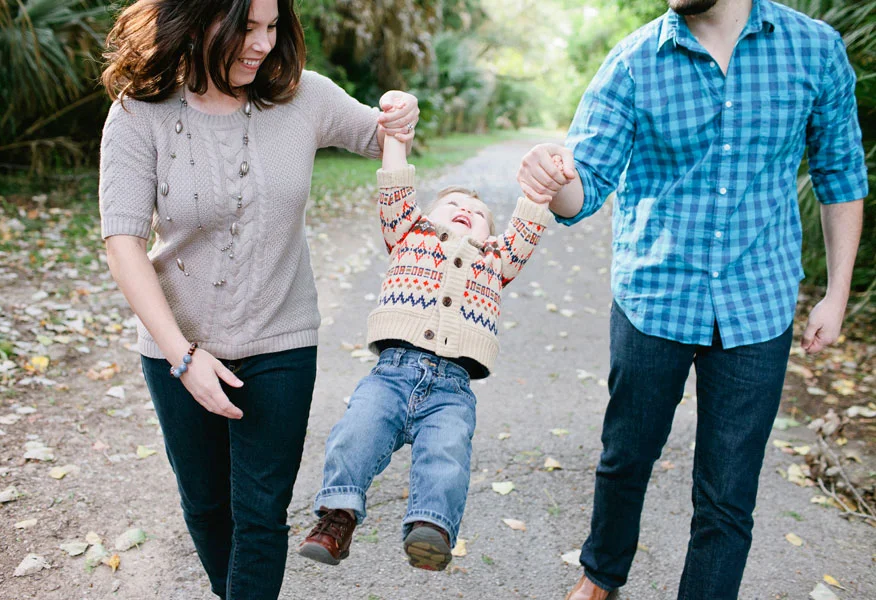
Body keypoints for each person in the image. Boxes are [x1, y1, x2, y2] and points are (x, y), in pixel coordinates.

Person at [517, 0, 867, 598]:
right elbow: (586, 189)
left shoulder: (815, 49)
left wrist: (835, 296)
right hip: (655, 298)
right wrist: (554, 180)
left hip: (758, 305)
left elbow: (841, 175)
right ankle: (601, 574)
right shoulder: (632, 61)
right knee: (626, 458)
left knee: (728, 495)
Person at [98, 0, 420, 597]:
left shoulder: (304, 98)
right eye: (246, 27)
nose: (262, 43)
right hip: (177, 345)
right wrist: (184, 359)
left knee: (261, 516)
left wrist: (402, 110)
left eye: (273, 27)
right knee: (205, 507)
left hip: (281, 341)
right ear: (196, 20)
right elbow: (123, 244)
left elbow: (383, 135)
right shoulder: (138, 114)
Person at [297, 121, 556, 572]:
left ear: (489, 235)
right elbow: (395, 185)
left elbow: (527, 225)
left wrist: (541, 182)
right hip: (391, 374)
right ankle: (336, 517)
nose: (464, 211)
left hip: (452, 390)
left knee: (448, 455)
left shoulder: (495, 258)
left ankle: (430, 528)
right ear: (425, 215)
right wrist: (395, 132)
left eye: (476, 213)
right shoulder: (409, 233)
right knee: (355, 435)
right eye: (452, 204)